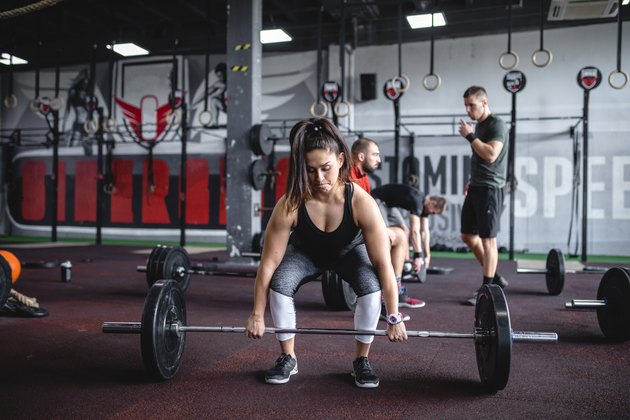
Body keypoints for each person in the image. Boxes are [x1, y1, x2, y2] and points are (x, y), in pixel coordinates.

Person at [245, 118, 408, 389]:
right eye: (310, 170)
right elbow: (268, 264)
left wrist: (393, 316)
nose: (319, 179)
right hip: (305, 255)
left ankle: (361, 360)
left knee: (370, 288)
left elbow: (382, 264)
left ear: (342, 160)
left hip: (350, 254)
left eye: (326, 168)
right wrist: (257, 314)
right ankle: (288, 356)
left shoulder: (360, 202)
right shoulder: (291, 203)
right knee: (280, 283)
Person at [350, 138, 425, 317]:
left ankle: (395, 291)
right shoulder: (348, 177)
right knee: (398, 235)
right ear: (361, 156)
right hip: (351, 234)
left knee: (399, 234)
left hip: (359, 230)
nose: (379, 159)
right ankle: (389, 297)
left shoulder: (364, 178)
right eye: (375, 154)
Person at [458, 86, 509, 305]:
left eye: (472, 105)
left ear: (484, 103)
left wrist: (470, 136)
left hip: (490, 188)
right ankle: (495, 276)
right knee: (467, 235)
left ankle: (488, 288)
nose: (469, 110)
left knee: (489, 240)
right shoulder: (479, 126)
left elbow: (491, 154)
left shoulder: (496, 123)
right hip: (477, 186)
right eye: (466, 106)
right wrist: (472, 180)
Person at [370, 184, 447, 272]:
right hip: (377, 199)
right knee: (386, 232)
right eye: (433, 213)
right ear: (432, 204)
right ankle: (382, 265)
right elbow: (414, 231)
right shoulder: (417, 201)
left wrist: (427, 255)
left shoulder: (425, 206)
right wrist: (418, 256)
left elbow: (425, 232)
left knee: (405, 231)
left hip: (389, 205)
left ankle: (405, 263)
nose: (432, 214)